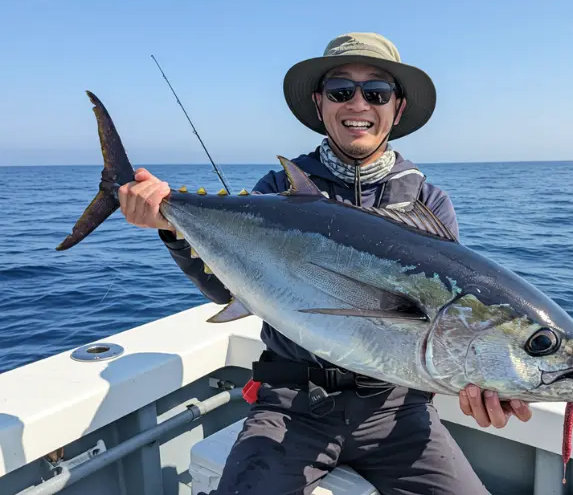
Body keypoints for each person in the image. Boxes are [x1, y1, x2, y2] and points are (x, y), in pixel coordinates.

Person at [118, 32, 533, 495]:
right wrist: (170, 227)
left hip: (397, 413)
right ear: (320, 104)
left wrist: (483, 376)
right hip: (290, 408)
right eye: (341, 91)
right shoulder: (280, 188)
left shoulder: (427, 204)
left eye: (376, 92)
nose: (358, 103)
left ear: (396, 108)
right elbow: (231, 291)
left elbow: (446, 330)